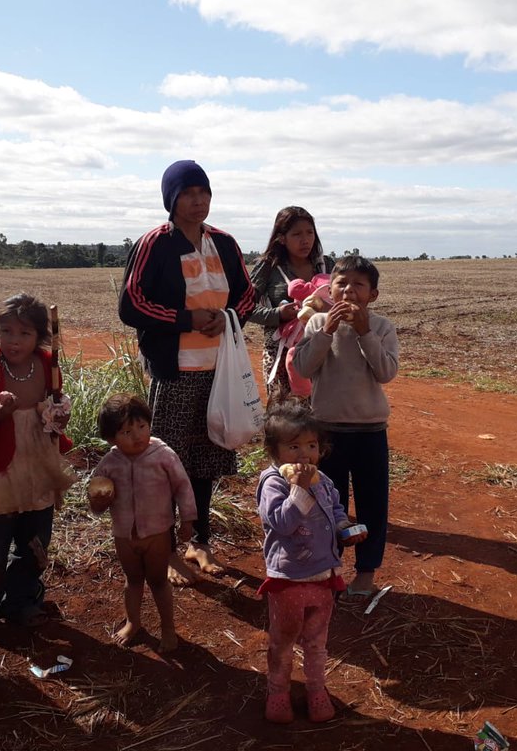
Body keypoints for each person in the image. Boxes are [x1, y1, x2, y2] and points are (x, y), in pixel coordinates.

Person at [119, 159, 256, 585]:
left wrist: (227, 316)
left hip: (219, 371)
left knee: (206, 456)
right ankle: (167, 547)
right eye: (188, 195)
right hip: (175, 371)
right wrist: (187, 319)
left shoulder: (225, 243)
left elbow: (247, 297)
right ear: (171, 200)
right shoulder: (155, 244)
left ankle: (200, 540)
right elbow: (131, 304)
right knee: (168, 458)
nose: (198, 202)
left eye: (204, 193)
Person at [0, 294, 76, 639]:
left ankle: (21, 601)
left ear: (39, 336)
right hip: (1, 469)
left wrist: (60, 416)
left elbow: (55, 414)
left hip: (40, 465)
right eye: (5, 331)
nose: (14, 341)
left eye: (24, 333)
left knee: (35, 543)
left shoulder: (48, 367)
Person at [291, 255, 399, 600]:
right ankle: (330, 569)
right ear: (330, 289)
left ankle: (366, 573)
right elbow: (305, 368)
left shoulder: (381, 327)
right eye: (342, 283)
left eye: (359, 285)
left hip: (370, 431)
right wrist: (327, 331)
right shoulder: (317, 323)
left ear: (373, 295)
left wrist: (365, 331)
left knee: (372, 504)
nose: (349, 290)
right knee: (328, 505)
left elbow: (386, 372)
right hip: (327, 432)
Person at [256, 402, 361, 723]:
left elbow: (336, 510)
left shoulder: (324, 480)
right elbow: (282, 523)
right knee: (283, 642)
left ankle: (317, 690)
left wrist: (346, 530)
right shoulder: (272, 483)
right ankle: (278, 692)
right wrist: (299, 490)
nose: (304, 455)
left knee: (317, 643)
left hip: (324, 577)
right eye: (294, 446)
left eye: (311, 446)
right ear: (274, 451)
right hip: (289, 580)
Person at [88, 393, 196, 652]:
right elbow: (95, 497)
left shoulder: (163, 455)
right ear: (112, 438)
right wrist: (99, 501)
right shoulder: (109, 463)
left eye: (141, 427)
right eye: (127, 431)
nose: (137, 435)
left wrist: (187, 520)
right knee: (132, 580)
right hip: (124, 535)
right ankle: (133, 622)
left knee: (158, 581)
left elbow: (183, 487)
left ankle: (168, 629)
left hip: (157, 533)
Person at [249, 207, 333, 402]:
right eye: (296, 234)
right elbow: (245, 306)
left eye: (310, 232)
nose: (305, 240)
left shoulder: (326, 265)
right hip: (280, 354)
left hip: (323, 350)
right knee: (285, 417)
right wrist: (277, 314)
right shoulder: (268, 266)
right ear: (282, 238)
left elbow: (343, 299)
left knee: (323, 414)